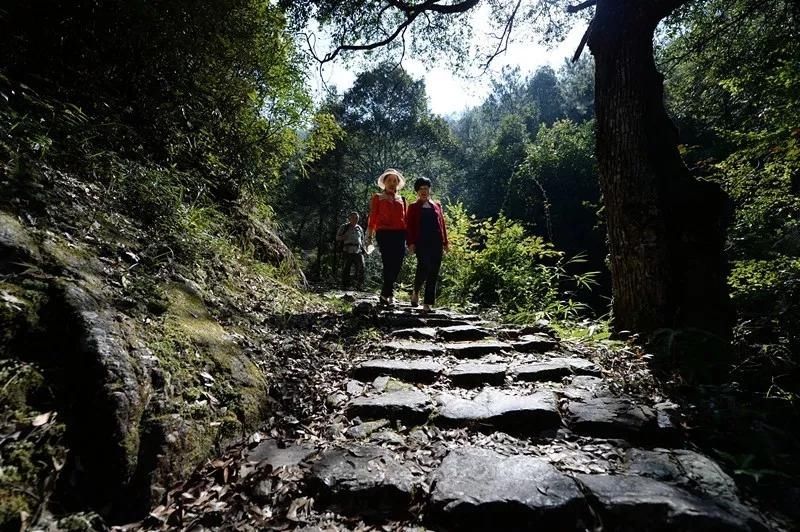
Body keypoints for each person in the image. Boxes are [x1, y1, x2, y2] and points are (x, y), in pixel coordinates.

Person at [405, 176, 449, 312]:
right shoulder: (413, 207)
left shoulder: (436, 205)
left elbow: (442, 224)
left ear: (430, 189)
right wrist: (411, 243)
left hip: (436, 242)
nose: (424, 191)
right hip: (421, 242)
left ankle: (428, 303)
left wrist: (445, 242)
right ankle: (416, 291)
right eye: (421, 189)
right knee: (423, 267)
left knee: (434, 271)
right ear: (417, 191)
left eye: (426, 188)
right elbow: (409, 226)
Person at [366, 168, 407, 305]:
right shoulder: (377, 197)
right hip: (384, 233)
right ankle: (388, 294)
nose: (392, 183)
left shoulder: (402, 199)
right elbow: (372, 217)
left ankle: (386, 292)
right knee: (388, 262)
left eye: (394, 181)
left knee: (398, 263)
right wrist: (369, 236)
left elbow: (405, 219)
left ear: (397, 183)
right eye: (389, 180)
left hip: (400, 234)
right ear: (384, 182)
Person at [335, 211, 365, 290]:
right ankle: (345, 285)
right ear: (349, 218)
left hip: (358, 250)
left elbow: (362, 239)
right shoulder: (344, 227)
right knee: (346, 268)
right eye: (354, 218)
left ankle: (359, 286)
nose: (356, 219)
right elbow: (337, 237)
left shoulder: (359, 228)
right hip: (347, 250)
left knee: (361, 267)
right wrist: (343, 237)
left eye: (357, 218)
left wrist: (365, 249)